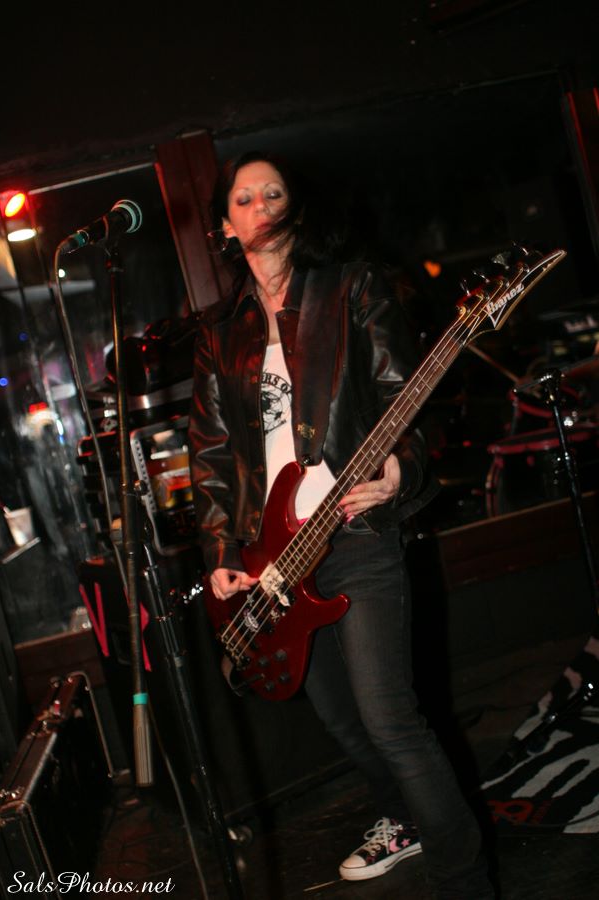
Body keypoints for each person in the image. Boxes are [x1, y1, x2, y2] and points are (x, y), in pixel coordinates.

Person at [189, 150, 494, 899]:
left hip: (353, 532)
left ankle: (466, 883)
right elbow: (212, 453)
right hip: (274, 560)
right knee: (341, 721)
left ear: (294, 210)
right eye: (243, 198)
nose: (260, 206)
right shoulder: (218, 334)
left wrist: (399, 471)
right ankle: (403, 819)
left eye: (273, 193)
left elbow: (405, 396)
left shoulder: (350, 287)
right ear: (225, 226)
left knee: (389, 718)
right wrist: (223, 548)